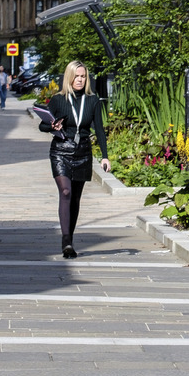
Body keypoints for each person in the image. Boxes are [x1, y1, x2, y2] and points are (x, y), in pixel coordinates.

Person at [40, 61, 110, 259]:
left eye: (83, 76)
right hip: (61, 151)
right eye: (76, 76)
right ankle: (66, 241)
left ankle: (70, 235)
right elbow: (42, 126)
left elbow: (100, 130)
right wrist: (52, 126)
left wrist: (105, 156)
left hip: (83, 152)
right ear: (69, 77)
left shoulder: (92, 100)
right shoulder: (58, 100)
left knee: (76, 198)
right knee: (65, 191)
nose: (80, 80)